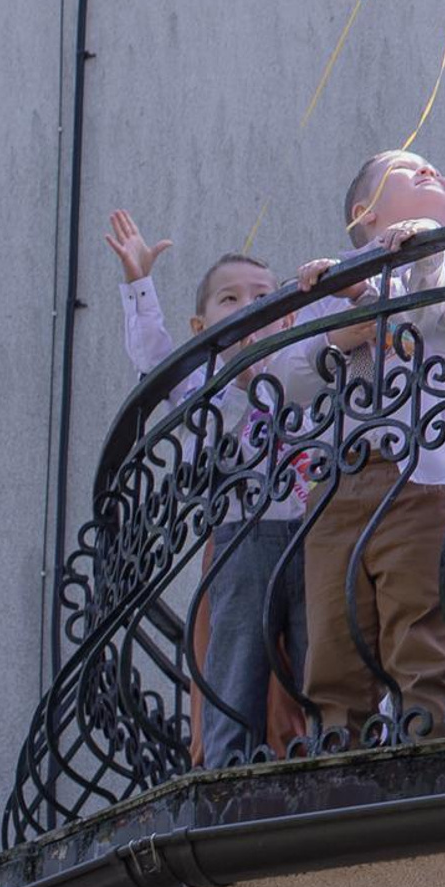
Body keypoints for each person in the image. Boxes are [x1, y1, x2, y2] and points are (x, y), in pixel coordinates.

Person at [282, 149, 445, 740]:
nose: (428, 167)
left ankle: (433, 778)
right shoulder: (326, 281)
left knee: (426, 642)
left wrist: (423, 253)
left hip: (426, 475)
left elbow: (440, 318)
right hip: (340, 483)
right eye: (405, 168)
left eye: (433, 164)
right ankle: (336, 781)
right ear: (363, 213)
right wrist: (332, 337)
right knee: (332, 654)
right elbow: (286, 379)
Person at [104, 214, 307, 766]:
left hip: (311, 531)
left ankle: (314, 752)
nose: (247, 308)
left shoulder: (298, 368)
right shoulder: (200, 382)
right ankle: (225, 761)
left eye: (262, 297)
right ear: (201, 327)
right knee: (237, 651)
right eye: (229, 299)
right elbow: (152, 356)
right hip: (241, 533)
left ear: (285, 314)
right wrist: (139, 283)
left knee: (314, 656)